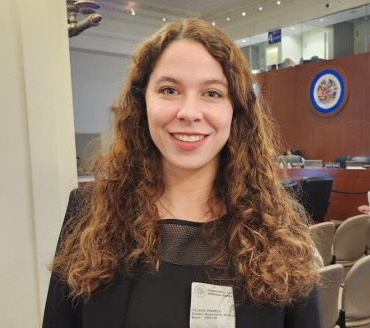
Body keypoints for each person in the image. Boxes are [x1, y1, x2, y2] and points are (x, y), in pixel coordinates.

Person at [43, 18, 322, 328]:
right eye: (169, 89)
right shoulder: (88, 215)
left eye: (212, 93)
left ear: (236, 109)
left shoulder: (280, 223)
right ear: (142, 101)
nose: (189, 112)